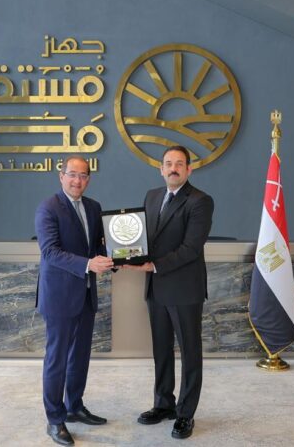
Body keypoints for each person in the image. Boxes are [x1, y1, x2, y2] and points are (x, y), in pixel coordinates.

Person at [124, 146, 214, 440]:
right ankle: (164, 404)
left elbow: (191, 248)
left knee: (190, 353)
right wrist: (124, 251)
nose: (173, 168)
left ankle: (185, 414)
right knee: (161, 350)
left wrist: (153, 265)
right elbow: (145, 239)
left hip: (184, 289)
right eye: (168, 163)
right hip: (156, 288)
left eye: (179, 164)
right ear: (161, 169)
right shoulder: (152, 196)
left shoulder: (200, 201)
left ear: (189, 169)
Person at [35, 155, 114, 446]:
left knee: (80, 357)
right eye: (72, 174)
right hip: (59, 296)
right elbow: (50, 252)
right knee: (56, 360)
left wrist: (120, 256)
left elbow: (100, 246)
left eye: (83, 175)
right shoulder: (48, 208)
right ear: (61, 176)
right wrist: (89, 264)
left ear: (88, 179)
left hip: (86, 295)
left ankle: (74, 406)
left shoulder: (94, 207)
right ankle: (55, 420)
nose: (77, 180)